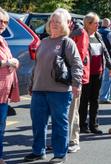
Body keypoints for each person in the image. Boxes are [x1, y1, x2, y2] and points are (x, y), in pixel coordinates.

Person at [24, 9, 83, 163]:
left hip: (60, 92)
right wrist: (31, 84)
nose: (55, 24)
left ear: (64, 25)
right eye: (52, 21)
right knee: (38, 123)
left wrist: (76, 84)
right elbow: (37, 66)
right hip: (39, 90)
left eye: (58, 22)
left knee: (59, 124)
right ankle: (38, 151)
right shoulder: (43, 42)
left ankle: (59, 154)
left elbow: (77, 65)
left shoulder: (67, 42)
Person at [79, 12, 111, 134]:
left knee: (94, 99)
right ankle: (82, 125)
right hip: (86, 74)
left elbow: (105, 52)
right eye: (95, 23)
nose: (98, 25)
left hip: (98, 72)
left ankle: (93, 124)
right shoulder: (82, 35)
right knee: (84, 100)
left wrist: (110, 66)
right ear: (88, 24)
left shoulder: (98, 35)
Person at [0, 7, 20, 164]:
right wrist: (8, 62)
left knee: (1, 127)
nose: (2, 24)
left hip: (3, 93)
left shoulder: (3, 40)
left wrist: (15, 62)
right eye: (0, 21)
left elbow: (10, 60)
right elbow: (5, 61)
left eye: (5, 22)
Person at [68, 19, 90, 153]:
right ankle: (62, 139)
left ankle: (73, 141)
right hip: (61, 77)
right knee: (63, 112)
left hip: (74, 77)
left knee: (72, 110)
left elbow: (79, 57)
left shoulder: (80, 33)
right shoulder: (65, 32)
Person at [98, 18, 111, 104]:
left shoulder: (96, 32)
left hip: (97, 58)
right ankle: (103, 97)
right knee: (108, 78)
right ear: (110, 25)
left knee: (101, 78)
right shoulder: (110, 33)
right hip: (108, 58)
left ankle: (102, 96)